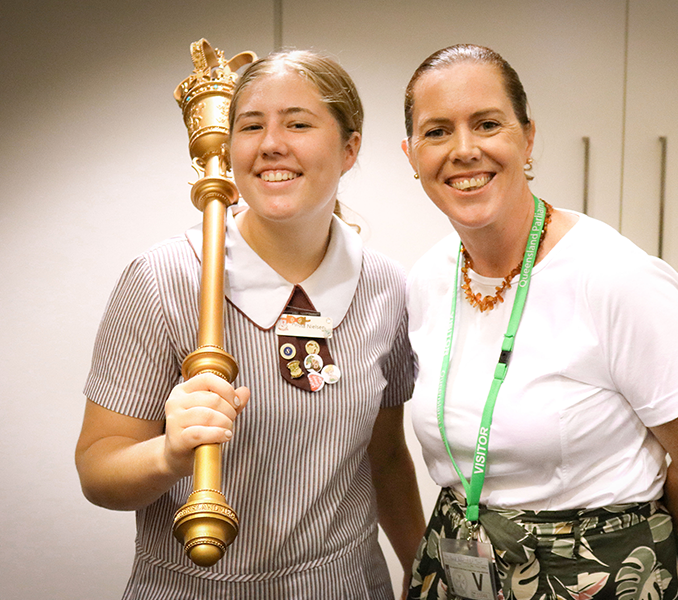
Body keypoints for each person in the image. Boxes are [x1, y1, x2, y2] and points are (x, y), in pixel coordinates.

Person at [401, 44, 678, 600]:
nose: (463, 150)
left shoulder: (613, 276)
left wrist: (626, 549)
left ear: (527, 137)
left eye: (487, 124)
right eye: (437, 131)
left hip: (596, 575)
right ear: (411, 153)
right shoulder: (427, 278)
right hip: (458, 564)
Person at [75, 49, 425, 599]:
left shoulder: (387, 288)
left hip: (346, 585)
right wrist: (168, 455)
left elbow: (383, 458)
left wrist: (420, 569)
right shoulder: (164, 279)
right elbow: (98, 470)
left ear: (350, 147)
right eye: (251, 126)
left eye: (299, 123)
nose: (270, 145)